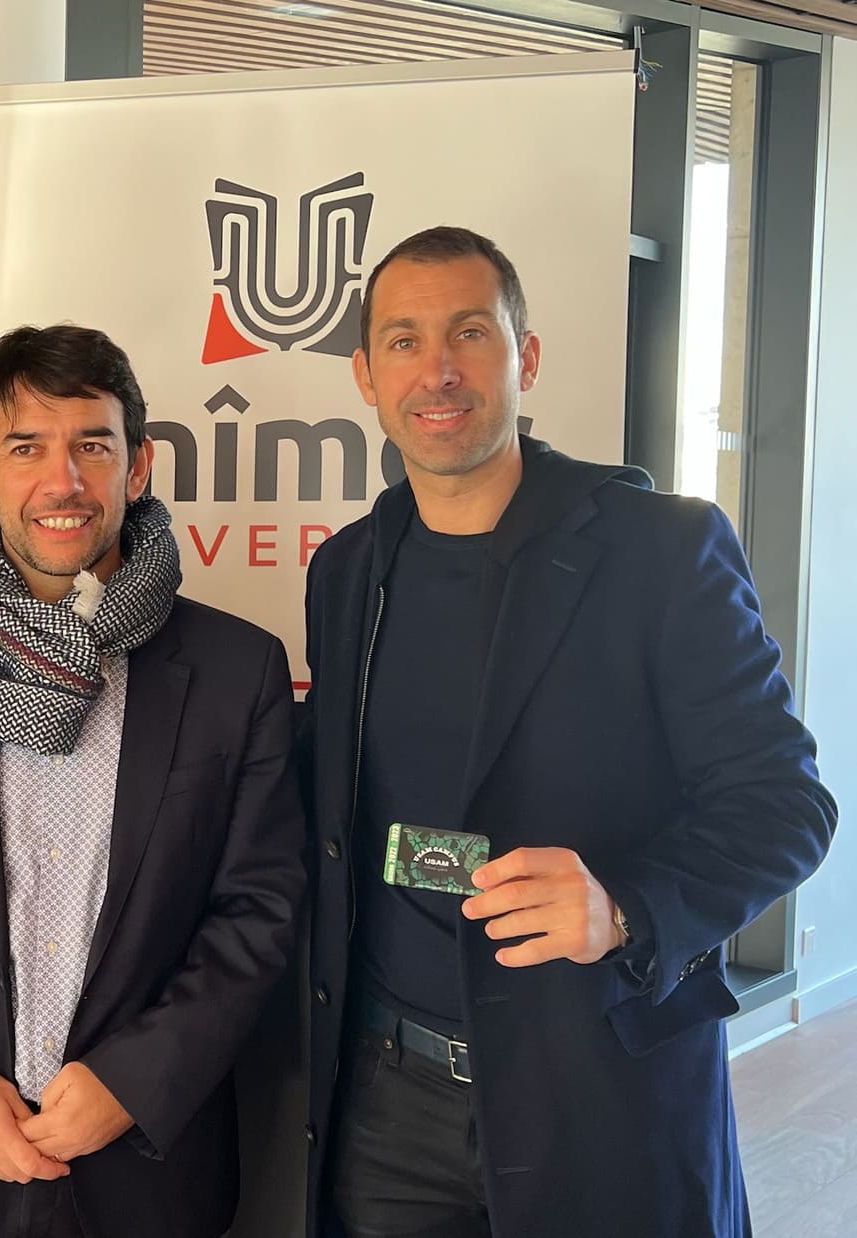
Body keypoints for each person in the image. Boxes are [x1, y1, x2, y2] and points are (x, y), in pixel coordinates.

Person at [241, 225, 836, 1238]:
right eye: (403, 340)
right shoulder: (346, 569)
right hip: (383, 1102)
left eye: (469, 332)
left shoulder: (662, 549)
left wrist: (628, 908)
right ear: (365, 376)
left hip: (596, 1089)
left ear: (526, 355)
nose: (437, 369)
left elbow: (785, 805)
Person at [0, 324, 305, 1238]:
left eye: (92, 444)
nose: (64, 481)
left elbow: (259, 910)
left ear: (139, 465)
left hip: (143, 1173)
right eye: (27, 446)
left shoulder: (239, 672)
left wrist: (136, 1080)